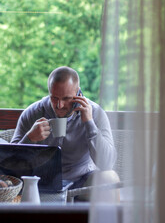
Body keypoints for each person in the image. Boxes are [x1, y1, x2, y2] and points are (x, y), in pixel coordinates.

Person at [11, 66, 119, 201]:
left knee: (109, 178)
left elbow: (107, 163)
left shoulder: (95, 113)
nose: (59, 105)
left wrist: (89, 124)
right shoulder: (33, 113)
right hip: (40, 182)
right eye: (54, 98)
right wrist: (29, 139)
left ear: (79, 93)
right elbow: (11, 165)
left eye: (66, 98)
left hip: (81, 180)